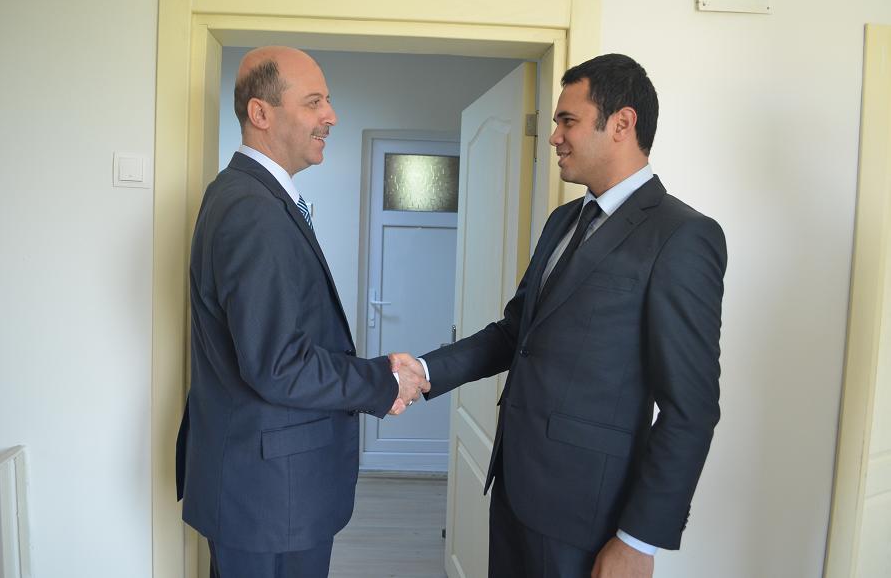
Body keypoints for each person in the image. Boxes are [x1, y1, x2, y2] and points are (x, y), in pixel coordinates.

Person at [392, 53, 726, 578]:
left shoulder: (682, 236)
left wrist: (638, 541)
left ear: (622, 123)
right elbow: (515, 333)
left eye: (567, 121)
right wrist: (425, 371)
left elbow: (692, 409)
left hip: (589, 517)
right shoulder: (563, 220)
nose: (554, 137)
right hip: (514, 489)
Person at [175, 46, 429, 578]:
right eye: (314, 102)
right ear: (261, 113)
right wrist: (381, 381)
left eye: (328, 101)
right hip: (269, 497)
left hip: (268, 489)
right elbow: (278, 365)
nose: (330, 116)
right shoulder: (252, 209)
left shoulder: (254, 196)